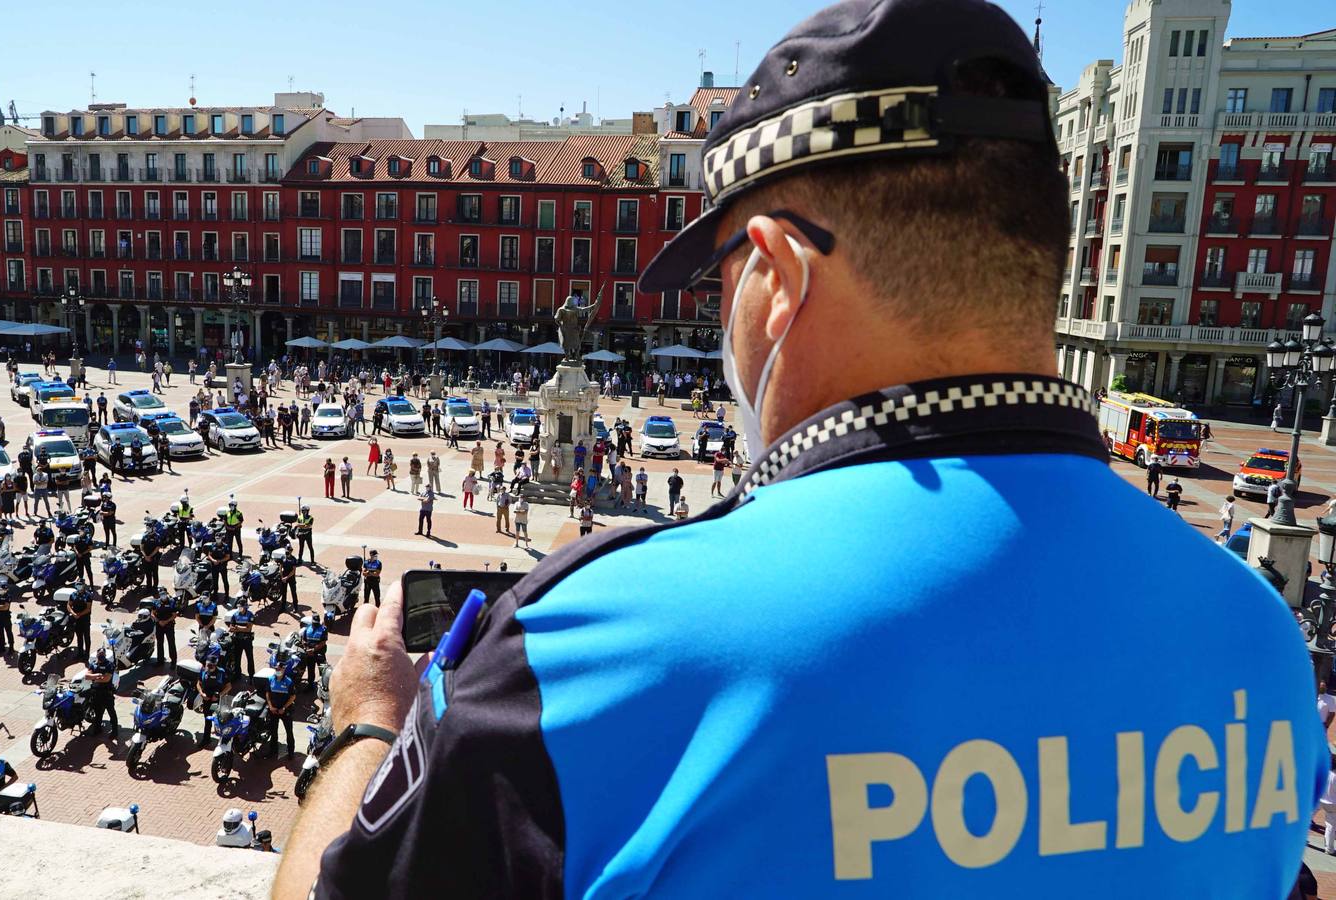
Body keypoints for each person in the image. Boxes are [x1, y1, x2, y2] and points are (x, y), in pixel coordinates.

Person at [276, 6, 1327, 895]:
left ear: (775, 275)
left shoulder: (604, 646)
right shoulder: (1257, 637)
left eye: (722, 275)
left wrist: (370, 725)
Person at [85, 647, 119, 736]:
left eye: (102, 654)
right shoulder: (93, 664)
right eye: (99, 654)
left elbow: (106, 679)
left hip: (106, 693)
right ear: (96, 655)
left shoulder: (109, 665)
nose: (101, 656)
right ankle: (97, 729)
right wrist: (98, 675)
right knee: (98, 712)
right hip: (96, 693)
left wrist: (94, 678)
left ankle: (115, 731)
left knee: (111, 712)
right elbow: (87, 676)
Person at [266, 664, 297, 756]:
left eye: (279, 669)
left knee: (289, 732)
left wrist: (284, 708)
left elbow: (293, 696)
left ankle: (291, 752)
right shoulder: (271, 679)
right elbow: (267, 693)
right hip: (273, 711)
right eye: (276, 669)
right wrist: (271, 706)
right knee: (273, 731)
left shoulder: (288, 682)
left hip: (285, 711)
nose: (277, 670)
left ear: (283, 669)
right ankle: (273, 751)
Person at [152, 587, 179, 668]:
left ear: (167, 593)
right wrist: (159, 621)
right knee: (159, 643)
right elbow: (153, 613)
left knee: (171, 643)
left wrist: (166, 621)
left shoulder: (172, 601)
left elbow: (174, 615)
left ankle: (173, 661)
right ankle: (160, 661)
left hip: (169, 625)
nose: (163, 596)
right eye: (161, 594)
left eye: (164, 594)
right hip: (159, 625)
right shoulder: (156, 602)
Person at [68, 581, 93, 659]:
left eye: (80, 585)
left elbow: (88, 609)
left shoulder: (88, 595)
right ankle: (80, 653)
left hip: (85, 619)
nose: (79, 587)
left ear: (84, 586)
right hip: (77, 619)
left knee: (86, 636)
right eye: (77, 585)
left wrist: (79, 614)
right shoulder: (73, 595)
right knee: (79, 636)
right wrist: (73, 613)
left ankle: (87, 654)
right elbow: (69, 605)